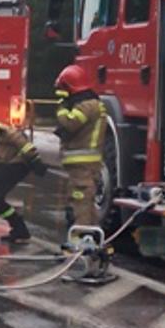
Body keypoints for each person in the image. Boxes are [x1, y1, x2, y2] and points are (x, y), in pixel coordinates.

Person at [54, 64, 109, 231]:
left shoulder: (86, 105)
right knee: (85, 201)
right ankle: (90, 237)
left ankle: (81, 241)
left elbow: (70, 124)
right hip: (85, 164)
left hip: (82, 164)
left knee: (81, 201)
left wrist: (62, 106)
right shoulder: (90, 103)